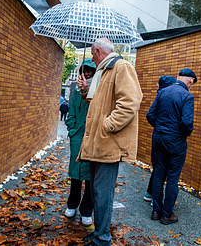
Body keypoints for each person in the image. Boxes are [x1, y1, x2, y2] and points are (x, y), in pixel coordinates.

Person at [77, 38, 143, 246]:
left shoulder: (121, 67)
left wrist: (108, 126)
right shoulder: (103, 71)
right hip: (99, 143)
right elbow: (98, 102)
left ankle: (102, 239)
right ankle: (99, 232)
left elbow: (130, 102)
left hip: (108, 143)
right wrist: (86, 90)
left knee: (103, 193)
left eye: (92, 54)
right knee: (97, 191)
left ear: (97, 51)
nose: (91, 59)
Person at [146, 68, 197, 225]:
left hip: (159, 138)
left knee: (159, 174)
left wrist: (161, 128)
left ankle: (156, 211)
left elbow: (150, 115)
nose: (191, 87)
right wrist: (181, 134)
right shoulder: (187, 96)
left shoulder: (162, 92)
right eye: (192, 84)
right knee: (173, 178)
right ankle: (167, 215)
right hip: (176, 141)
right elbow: (187, 123)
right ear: (190, 81)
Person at [64, 58, 97, 226]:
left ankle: (87, 211)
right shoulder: (75, 89)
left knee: (91, 176)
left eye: (90, 70)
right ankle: (72, 204)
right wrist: (72, 129)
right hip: (77, 136)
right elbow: (71, 112)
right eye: (84, 70)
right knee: (75, 173)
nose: (87, 73)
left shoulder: (98, 89)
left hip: (93, 137)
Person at [143, 75, 177, 203]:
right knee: (164, 168)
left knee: (158, 166)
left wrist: (159, 127)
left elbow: (150, 115)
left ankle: (150, 193)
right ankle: (156, 199)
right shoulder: (169, 97)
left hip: (158, 135)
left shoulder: (160, 96)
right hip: (168, 136)